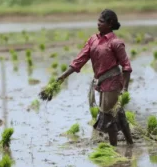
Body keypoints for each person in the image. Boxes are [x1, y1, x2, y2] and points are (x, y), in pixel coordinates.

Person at [57, 9, 134, 146]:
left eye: (101, 21)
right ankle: (130, 143)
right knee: (118, 113)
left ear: (110, 24)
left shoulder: (116, 43)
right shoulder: (93, 39)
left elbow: (126, 66)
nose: (98, 24)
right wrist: (64, 76)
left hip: (113, 82)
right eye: (98, 21)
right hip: (102, 82)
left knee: (108, 115)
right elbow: (80, 59)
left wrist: (125, 88)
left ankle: (113, 149)